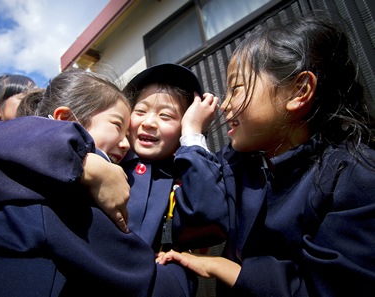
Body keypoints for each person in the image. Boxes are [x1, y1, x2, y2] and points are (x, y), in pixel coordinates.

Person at [156, 14, 375, 296]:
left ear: (299, 91)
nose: (226, 105)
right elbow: (199, 216)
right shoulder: (238, 163)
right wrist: (192, 135)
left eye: (236, 88)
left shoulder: (355, 177)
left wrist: (222, 267)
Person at [0, 69, 197, 296]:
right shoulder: (65, 205)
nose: (126, 144)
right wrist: (188, 270)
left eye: (127, 133)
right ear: (65, 119)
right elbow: (150, 283)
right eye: (116, 125)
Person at [121, 63, 228, 253]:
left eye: (165, 115)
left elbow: (209, 220)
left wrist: (193, 132)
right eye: (140, 111)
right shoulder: (107, 160)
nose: (148, 122)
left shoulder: (186, 179)